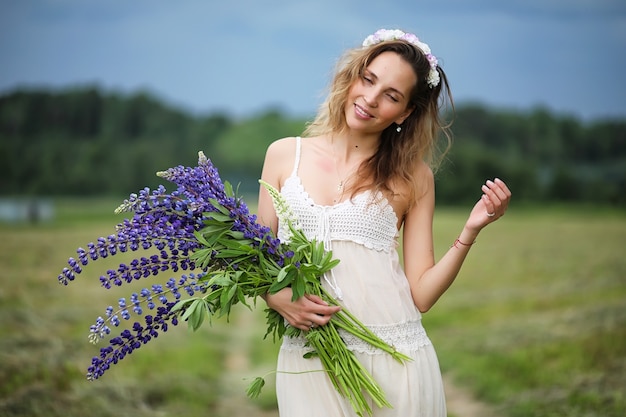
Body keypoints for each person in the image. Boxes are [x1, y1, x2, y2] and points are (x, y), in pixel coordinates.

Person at [257, 28, 511, 417]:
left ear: (406, 113)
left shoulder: (413, 178)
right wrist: (275, 296)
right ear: (353, 75)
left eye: (391, 96)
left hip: (395, 357)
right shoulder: (282, 155)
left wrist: (469, 231)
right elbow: (256, 259)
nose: (370, 99)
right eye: (368, 80)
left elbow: (421, 295)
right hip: (308, 356)